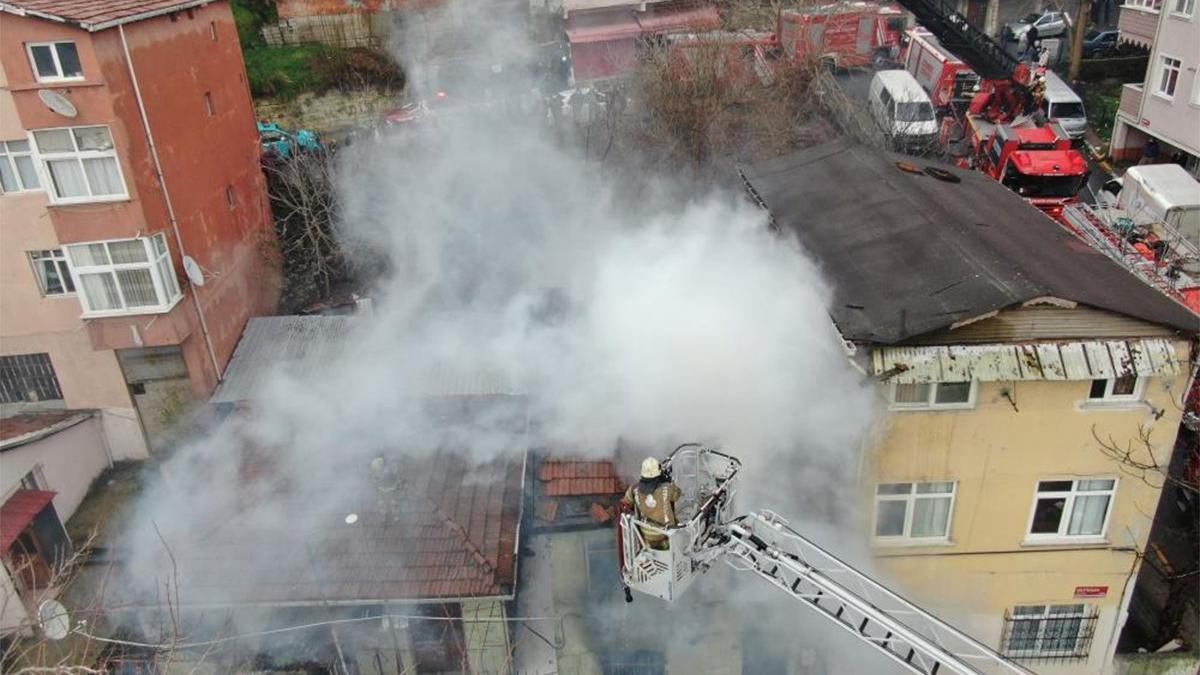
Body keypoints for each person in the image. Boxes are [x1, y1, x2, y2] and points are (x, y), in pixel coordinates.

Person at [621, 457, 682, 550]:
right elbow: (677, 494)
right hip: (666, 536)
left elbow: (625, 503)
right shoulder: (668, 488)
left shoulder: (633, 489)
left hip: (646, 535)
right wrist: (668, 481)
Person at [370, 455, 402, 522]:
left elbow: (396, 476)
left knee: (393, 503)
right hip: (382, 488)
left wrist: (398, 484)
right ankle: (384, 515)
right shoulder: (376, 465)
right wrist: (376, 481)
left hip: (391, 488)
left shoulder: (392, 467)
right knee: (382, 503)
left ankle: (396, 516)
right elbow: (374, 477)